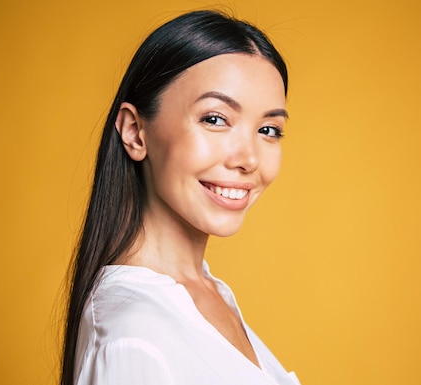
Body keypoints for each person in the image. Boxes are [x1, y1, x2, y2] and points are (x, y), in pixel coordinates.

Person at [60, 10, 300, 385]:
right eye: (215, 119)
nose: (249, 159)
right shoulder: (133, 337)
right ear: (136, 132)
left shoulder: (207, 292)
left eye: (268, 129)